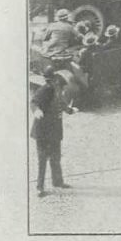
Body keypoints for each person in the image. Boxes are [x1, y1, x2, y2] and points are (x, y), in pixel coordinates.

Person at [31, 66, 75, 197]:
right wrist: (36, 111)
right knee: (42, 159)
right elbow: (33, 102)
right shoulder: (44, 89)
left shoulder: (56, 88)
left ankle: (57, 181)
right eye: (50, 79)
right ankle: (40, 187)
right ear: (48, 79)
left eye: (53, 79)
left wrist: (70, 110)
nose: (53, 82)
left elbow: (60, 103)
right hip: (43, 131)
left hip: (54, 130)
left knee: (55, 157)